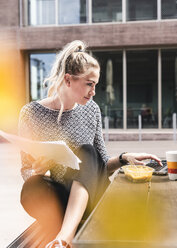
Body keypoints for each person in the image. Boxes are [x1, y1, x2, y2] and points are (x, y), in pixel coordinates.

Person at [18, 40, 162, 248]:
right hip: (58, 196)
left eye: (95, 84)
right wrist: (39, 171)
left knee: (87, 150)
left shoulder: (91, 110)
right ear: (68, 80)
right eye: (89, 84)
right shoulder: (31, 113)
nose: (93, 91)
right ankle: (74, 223)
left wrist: (124, 159)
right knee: (31, 188)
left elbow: (100, 164)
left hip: (89, 194)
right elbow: (26, 171)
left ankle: (64, 236)